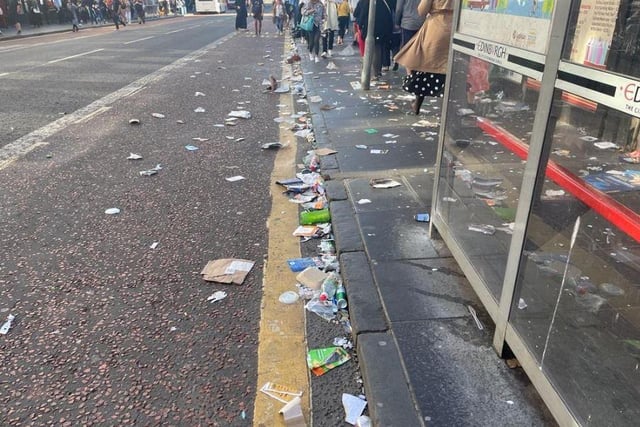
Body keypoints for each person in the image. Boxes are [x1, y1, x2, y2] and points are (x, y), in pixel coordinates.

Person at [394, 0, 453, 114]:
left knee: (422, 66)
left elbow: (421, 11)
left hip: (436, 28)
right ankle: (447, 109)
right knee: (448, 70)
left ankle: (417, 104)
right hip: (455, 29)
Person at [354, 0, 395, 78]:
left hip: (369, 28)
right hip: (382, 29)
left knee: (370, 50)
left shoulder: (365, 1)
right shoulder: (383, 2)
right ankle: (377, 71)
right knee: (378, 48)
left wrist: (360, 24)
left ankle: (370, 71)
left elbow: (359, 13)